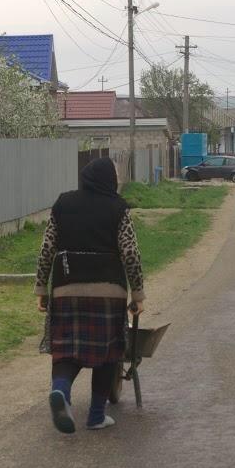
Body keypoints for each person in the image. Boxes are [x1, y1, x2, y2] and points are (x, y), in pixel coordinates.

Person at [34, 157, 145, 434]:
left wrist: (41, 289)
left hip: (66, 288)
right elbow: (130, 252)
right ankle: (96, 416)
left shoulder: (63, 204)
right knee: (109, 353)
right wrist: (138, 293)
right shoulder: (118, 208)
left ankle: (61, 392)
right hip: (108, 292)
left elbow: (47, 248)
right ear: (107, 179)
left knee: (65, 350)